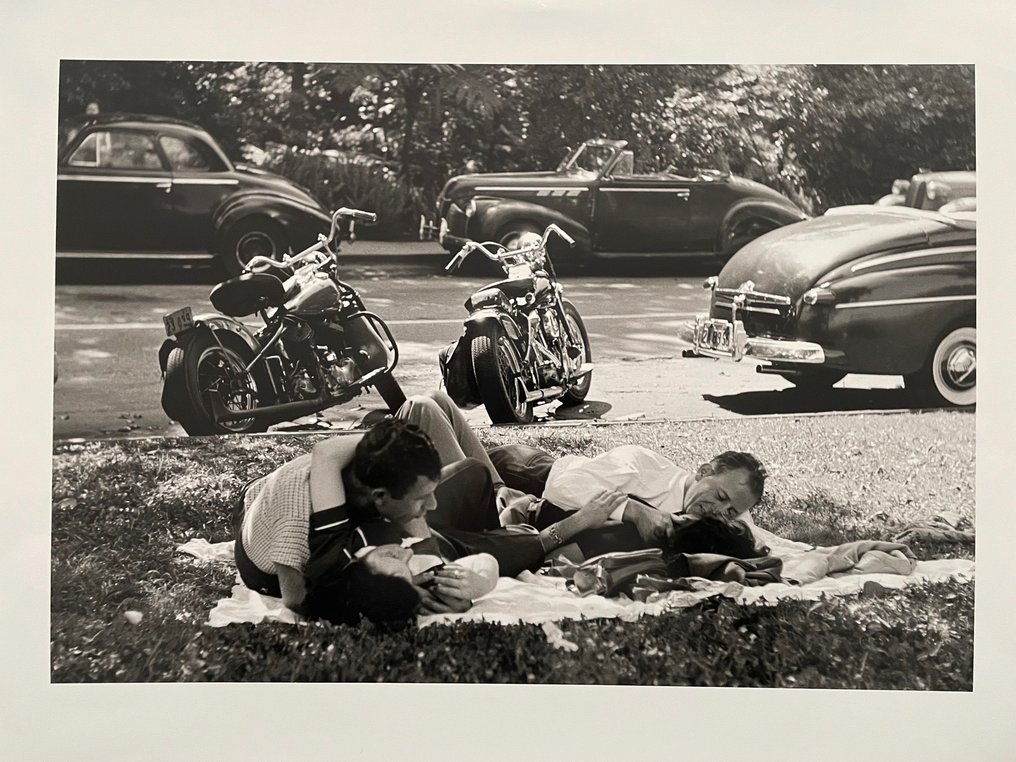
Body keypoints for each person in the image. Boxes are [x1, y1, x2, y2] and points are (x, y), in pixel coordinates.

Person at [232, 390, 509, 613]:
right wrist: (406, 597)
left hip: (339, 503)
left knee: (468, 479)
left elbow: (424, 545)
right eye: (422, 498)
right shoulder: (297, 514)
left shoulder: (375, 464)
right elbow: (295, 597)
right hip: (259, 529)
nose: (432, 505)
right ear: (379, 496)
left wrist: (440, 579)